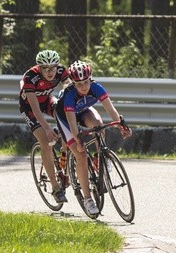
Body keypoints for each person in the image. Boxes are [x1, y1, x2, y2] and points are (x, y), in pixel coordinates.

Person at [55, 60, 132, 216]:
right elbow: (72, 122)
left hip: (83, 110)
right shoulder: (69, 95)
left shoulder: (96, 88)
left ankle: (99, 158)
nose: (84, 87)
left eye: (86, 82)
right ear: (73, 84)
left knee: (98, 124)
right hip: (66, 118)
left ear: (91, 79)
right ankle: (88, 199)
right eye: (79, 84)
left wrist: (121, 126)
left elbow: (111, 110)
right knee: (81, 155)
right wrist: (78, 140)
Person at [19, 49, 71, 203]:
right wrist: (47, 129)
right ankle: (56, 188)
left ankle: (64, 150)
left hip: (47, 100)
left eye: (53, 68)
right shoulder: (30, 77)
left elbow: (67, 85)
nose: (50, 72)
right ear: (39, 68)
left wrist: (66, 89)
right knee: (46, 143)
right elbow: (35, 108)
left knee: (65, 117)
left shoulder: (61, 70)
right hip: (29, 108)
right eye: (46, 69)